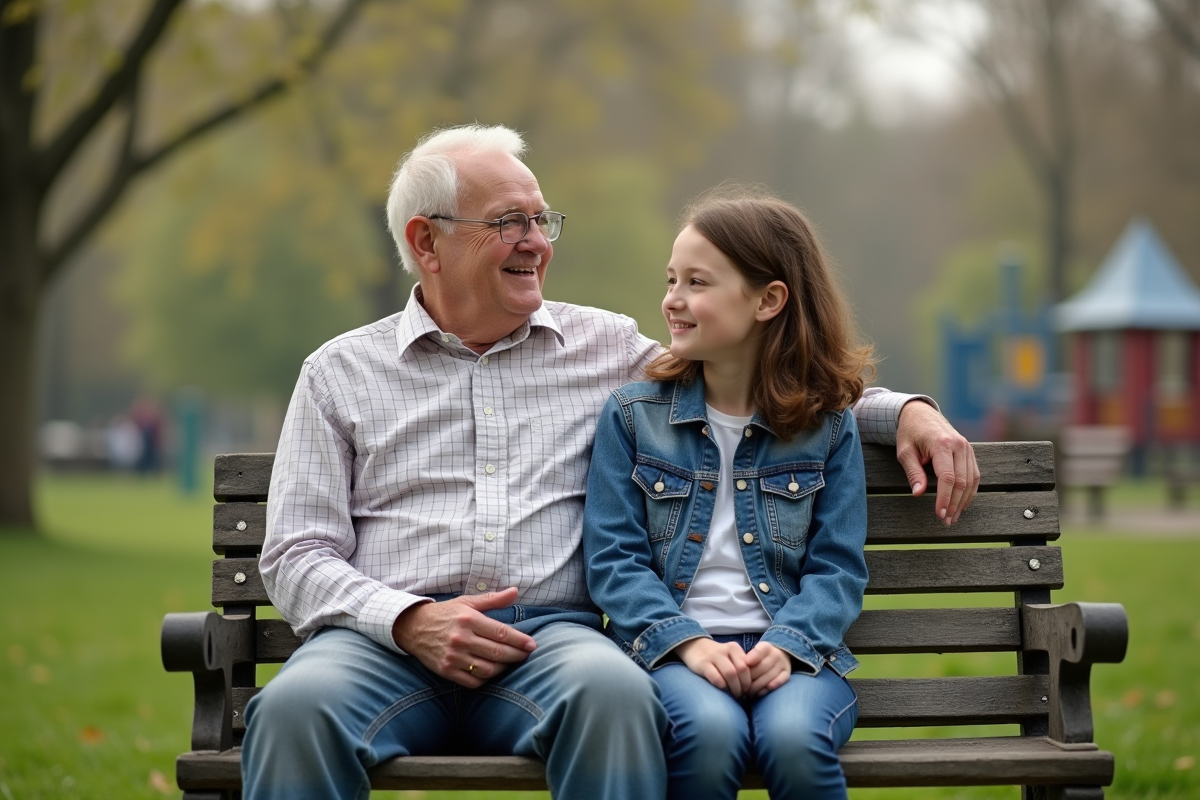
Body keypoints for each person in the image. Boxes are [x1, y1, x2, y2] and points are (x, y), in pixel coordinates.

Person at [241, 123, 979, 800]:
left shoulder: (605, 349)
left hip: (549, 645)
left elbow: (756, 381)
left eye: (541, 219)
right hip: (382, 648)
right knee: (292, 711)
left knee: (618, 695)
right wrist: (410, 621)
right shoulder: (341, 373)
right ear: (427, 243)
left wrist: (905, 411)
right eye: (509, 223)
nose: (536, 241)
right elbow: (297, 554)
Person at [584, 189, 876, 799]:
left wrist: (788, 646)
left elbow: (837, 568)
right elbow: (614, 562)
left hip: (793, 654)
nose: (672, 300)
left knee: (795, 740)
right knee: (709, 733)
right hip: (669, 654)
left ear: (768, 300)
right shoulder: (633, 418)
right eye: (670, 280)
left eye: (697, 282)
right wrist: (685, 641)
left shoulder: (827, 425)